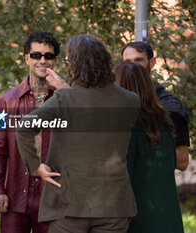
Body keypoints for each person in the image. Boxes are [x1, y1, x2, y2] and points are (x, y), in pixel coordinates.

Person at [16, 34, 140, 233]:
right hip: (114, 204)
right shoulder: (131, 100)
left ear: (75, 64)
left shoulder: (65, 98)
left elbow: (24, 127)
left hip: (68, 203)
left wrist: (35, 167)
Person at [0, 31, 62, 233]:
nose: (42, 60)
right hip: (14, 200)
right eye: (36, 55)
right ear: (27, 57)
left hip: (53, 200)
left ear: (55, 60)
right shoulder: (3, 102)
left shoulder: (65, 101)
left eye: (48, 56)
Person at [115, 61, 184, 233]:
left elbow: (123, 178)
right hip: (169, 217)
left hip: (140, 218)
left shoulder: (127, 124)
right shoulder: (165, 120)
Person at [120, 41, 189, 171]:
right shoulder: (117, 100)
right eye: (127, 62)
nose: (133, 66)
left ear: (152, 63)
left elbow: (182, 161)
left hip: (153, 185)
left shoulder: (170, 106)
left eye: (138, 60)